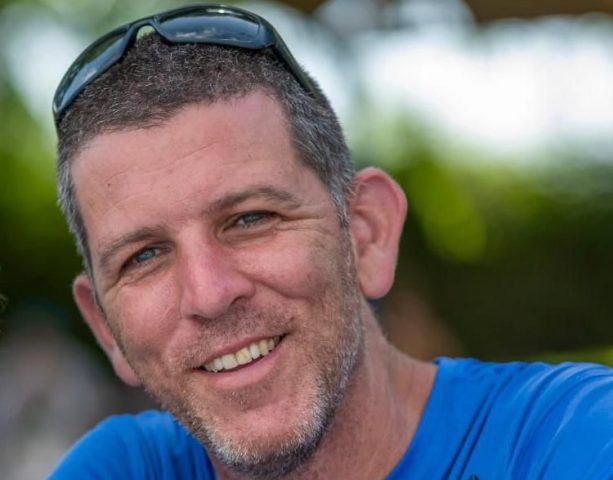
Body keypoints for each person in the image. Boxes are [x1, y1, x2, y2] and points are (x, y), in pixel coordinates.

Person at [49, 5, 612, 480]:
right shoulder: (125, 467)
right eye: (144, 256)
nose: (210, 294)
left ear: (366, 234)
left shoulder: (574, 439)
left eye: (250, 219)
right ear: (106, 328)